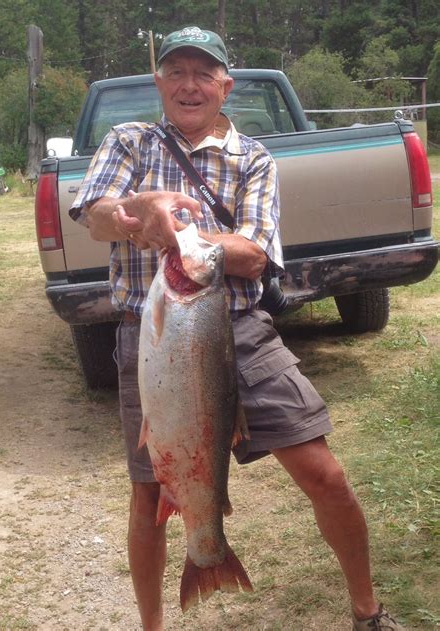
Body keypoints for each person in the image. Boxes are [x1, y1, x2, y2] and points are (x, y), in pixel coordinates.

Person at [70, 26, 406, 631]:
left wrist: (190, 241)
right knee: (151, 496)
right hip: (149, 340)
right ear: (159, 82)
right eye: (177, 72)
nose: (190, 85)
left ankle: (368, 612)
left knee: (325, 475)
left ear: (226, 86)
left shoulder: (253, 158)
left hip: (240, 330)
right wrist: (138, 211)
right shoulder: (129, 141)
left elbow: (254, 254)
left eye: (204, 74)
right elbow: (96, 216)